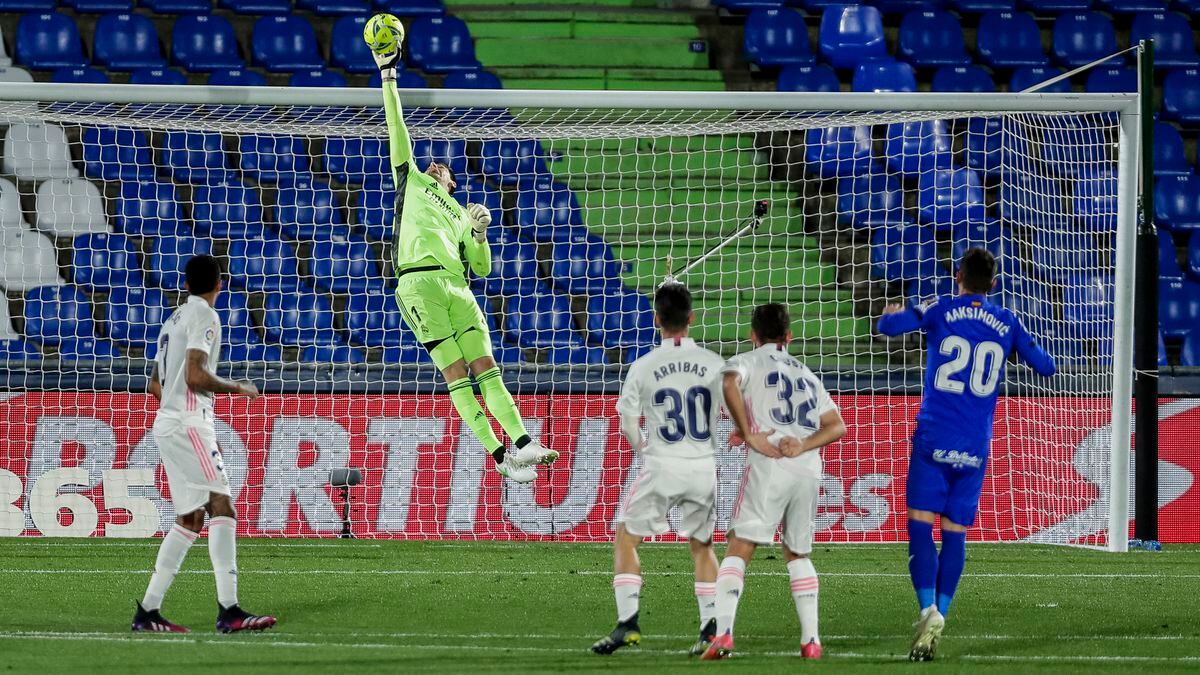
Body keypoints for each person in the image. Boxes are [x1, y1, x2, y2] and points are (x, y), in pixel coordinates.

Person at [371, 31, 556, 483]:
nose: (436, 166)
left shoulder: (459, 212)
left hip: (459, 288)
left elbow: (484, 267)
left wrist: (479, 231)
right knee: (455, 373)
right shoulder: (411, 181)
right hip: (416, 283)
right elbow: (397, 127)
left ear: (453, 182)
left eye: (444, 168)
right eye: (432, 164)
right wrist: (389, 76)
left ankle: (523, 443)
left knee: (485, 367)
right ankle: (498, 455)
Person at [877, 247, 1057, 661]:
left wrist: (891, 313)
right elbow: (1046, 367)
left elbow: (889, 326)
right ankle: (942, 612)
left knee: (920, 526)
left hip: (933, 436)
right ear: (993, 284)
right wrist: (1015, 343)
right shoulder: (1007, 321)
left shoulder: (940, 308)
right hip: (974, 446)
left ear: (957, 276)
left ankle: (928, 611)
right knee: (955, 532)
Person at [133, 254, 276, 634]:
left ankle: (148, 611)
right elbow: (196, 374)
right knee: (223, 505)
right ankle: (229, 610)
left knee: (191, 518)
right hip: (188, 423)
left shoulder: (172, 320)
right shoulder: (205, 316)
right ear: (220, 284)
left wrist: (177, 401)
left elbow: (153, 384)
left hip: (167, 423)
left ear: (185, 283)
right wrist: (237, 388)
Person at [702, 303, 846, 661]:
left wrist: (750, 434)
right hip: (808, 468)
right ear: (789, 336)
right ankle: (811, 641)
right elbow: (837, 425)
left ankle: (723, 635)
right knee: (797, 552)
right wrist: (802, 443)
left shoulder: (749, 361)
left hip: (769, 465)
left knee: (740, 545)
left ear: (753, 335)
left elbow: (727, 381)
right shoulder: (807, 374)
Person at [591, 283, 726, 656]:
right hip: (702, 465)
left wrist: (643, 448)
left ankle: (628, 623)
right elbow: (733, 410)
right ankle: (710, 629)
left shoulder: (644, 364)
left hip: (663, 463)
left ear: (656, 321)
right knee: (702, 546)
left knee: (626, 536)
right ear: (692, 319)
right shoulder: (715, 363)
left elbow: (627, 419)